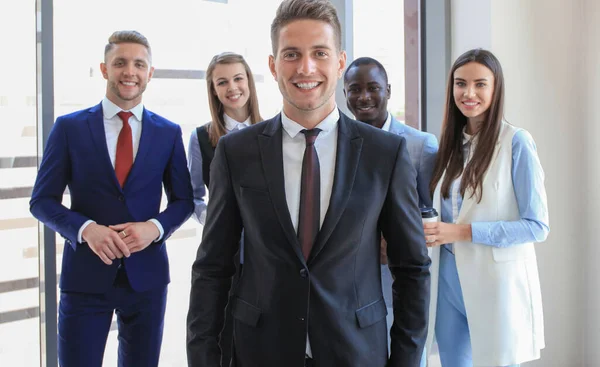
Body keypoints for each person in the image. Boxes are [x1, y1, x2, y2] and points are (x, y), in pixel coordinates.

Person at [186, 1, 430, 366]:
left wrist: (405, 361)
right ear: (272, 64)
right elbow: (212, 268)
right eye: (291, 54)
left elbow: (412, 269)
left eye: (320, 53)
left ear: (340, 61)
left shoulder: (386, 153)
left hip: (356, 351)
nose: (306, 68)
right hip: (261, 350)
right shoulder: (236, 152)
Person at [29, 30, 194, 367]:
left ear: (150, 72)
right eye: (120, 63)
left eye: (138, 64)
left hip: (146, 279)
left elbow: (184, 201)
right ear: (105, 69)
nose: (129, 71)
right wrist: (86, 228)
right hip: (85, 277)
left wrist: (154, 227)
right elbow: (42, 201)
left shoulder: (168, 132)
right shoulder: (69, 128)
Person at [424, 48, 549, 367]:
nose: (468, 93)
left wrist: (463, 232)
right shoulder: (450, 146)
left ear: (496, 88)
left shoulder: (516, 142)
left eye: (480, 84)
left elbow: (537, 226)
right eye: (460, 83)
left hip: (494, 281)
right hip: (447, 278)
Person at [343, 56, 438, 366]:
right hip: (349, 282)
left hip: (399, 276)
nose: (364, 97)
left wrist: (397, 240)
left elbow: (431, 216)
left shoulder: (420, 146)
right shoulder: (337, 144)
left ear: (389, 91)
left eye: (373, 88)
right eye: (354, 89)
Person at [187, 51, 262, 367]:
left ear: (249, 82)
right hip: (225, 256)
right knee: (224, 336)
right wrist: (218, 223)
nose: (232, 87)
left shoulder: (272, 132)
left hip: (264, 254)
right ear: (213, 90)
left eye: (238, 78)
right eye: (222, 82)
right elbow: (193, 198)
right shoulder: (202, 139)